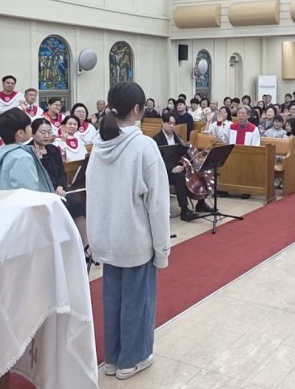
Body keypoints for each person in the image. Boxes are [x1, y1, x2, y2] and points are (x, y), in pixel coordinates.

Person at [87, 82, 169, 380]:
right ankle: (132, 359)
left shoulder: (99, 146)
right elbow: (157, 204)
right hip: (134, 238)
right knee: (137, 302)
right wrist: (162, 249)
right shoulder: (144, 146)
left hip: (107, 238)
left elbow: (93, 194)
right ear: (137, 109)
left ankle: (112, 359)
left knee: (113, 301)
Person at [29, 117, 88, 247]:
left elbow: (61, 172)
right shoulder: (28, 151)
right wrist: (39, 159)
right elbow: (33, 177)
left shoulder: (53, 149)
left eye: (49, 132)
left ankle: (84, 247)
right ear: (33, 133)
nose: (46, 136)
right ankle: (62, 246)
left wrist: (61, 186)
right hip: (41, 192)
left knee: (78, 205)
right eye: (42, 132)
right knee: (61, 209)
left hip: (59, 190)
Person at [154, 111, 213, 221]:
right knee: (180, 177)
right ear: (162, 123)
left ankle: (201, 203)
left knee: (199, 171)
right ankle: (184, 210)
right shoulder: (156, 140)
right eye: (169, 123)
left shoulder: (177, 137)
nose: (172, 126)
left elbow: (184, 152)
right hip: (164, 170)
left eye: (174, 124)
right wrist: (172, 169)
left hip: (179, 166)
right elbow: (158, 161)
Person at [0, 108, 54, 192]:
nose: (31, 128)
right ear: (20, 133)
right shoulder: (22, 157)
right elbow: (28, 192)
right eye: (29, 126)